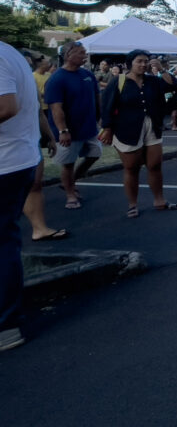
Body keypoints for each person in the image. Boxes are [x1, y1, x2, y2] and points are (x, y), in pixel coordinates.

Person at [0, 40, 47, 351]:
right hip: (18, 159)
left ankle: (5, 323)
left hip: (6, 162)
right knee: (5, 239)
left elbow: (6, 106)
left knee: (2, 241)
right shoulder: (10, 52)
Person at [98, 50, 177, 218]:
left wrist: (162, 69)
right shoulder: (118, 81)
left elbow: (172, 86)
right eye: (139, 61)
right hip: (127, 128)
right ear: (130, 63)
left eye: (146, 61)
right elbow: (106, 106)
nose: (144, 64)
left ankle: (159, 200)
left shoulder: (152, 81)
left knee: (155, 165)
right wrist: (107, 128)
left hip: (151, 125)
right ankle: (132, 204)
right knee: (131, 168)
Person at [44, 40, 102, 209]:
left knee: (94, 154)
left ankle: (70, 182)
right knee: (68, 163)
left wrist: (101, 117)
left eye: (85, 52)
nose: (85, 56)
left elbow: (96, 97)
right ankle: (70, 194)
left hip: (89, 127)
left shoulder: (87, 75)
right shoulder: (57, 79)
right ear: (68, 55)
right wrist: (63, 130)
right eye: (81, 53)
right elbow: (56, 108)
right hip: (69, 130)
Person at [18, 50, 62, 243]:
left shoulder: (29, 83)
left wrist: (51, 137)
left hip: (29, 140)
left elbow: (39, 113)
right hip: (10, 144)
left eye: (28, 63)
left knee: (35, 184)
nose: (26, 66)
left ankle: (40, 228)